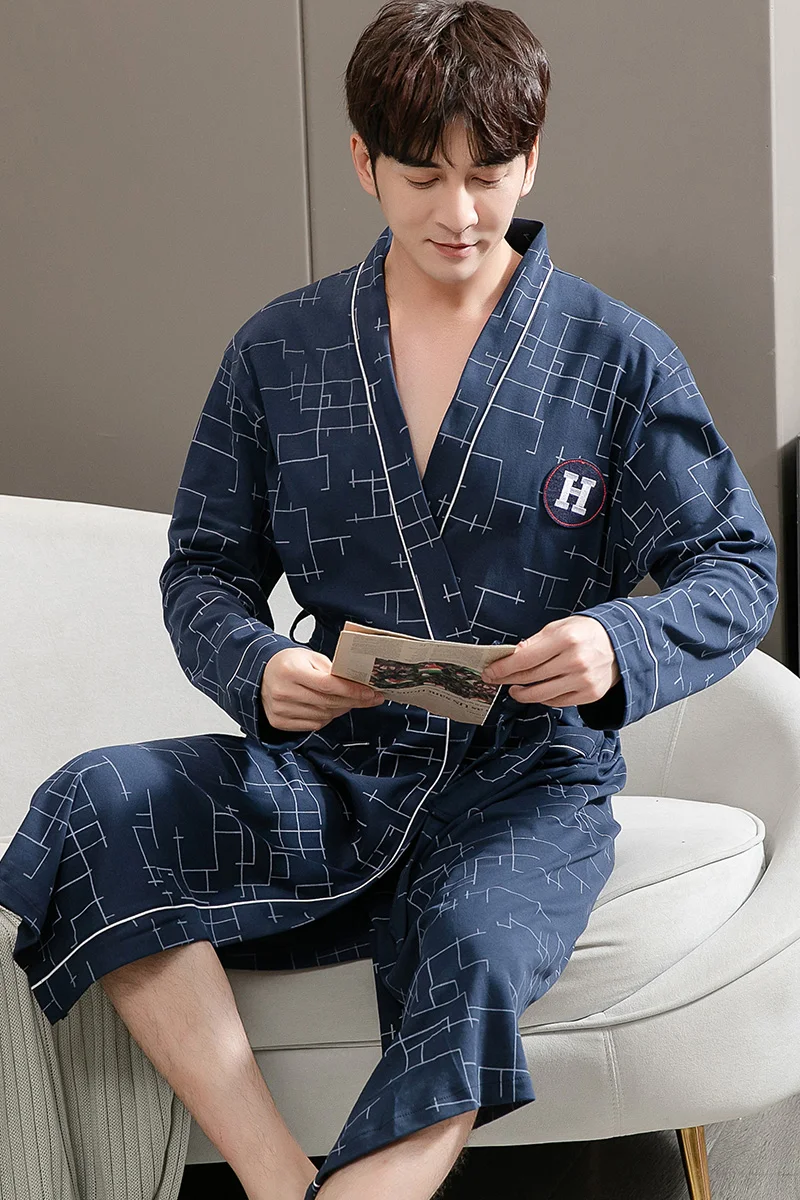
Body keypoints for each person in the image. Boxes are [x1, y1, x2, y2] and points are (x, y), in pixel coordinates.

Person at [0, 3, 779, 1199]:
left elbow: (735, 565)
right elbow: (202, 568)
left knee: (474, 947)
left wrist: (615, 639)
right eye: (422, 177)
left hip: (524, 785)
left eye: (487, 174)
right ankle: (274, 1177)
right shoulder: (280, 352)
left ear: (531, 159)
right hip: (333, 771)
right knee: (98, 804)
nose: (457, 211)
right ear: (364, 162)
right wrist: (259, 667)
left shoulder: (614, 356)